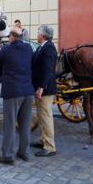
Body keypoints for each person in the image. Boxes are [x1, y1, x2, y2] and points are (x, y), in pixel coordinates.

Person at [0, 26, 34, 165]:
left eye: (9, 36)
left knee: (9, 125)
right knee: (25, 124)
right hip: (28, 92)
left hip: (13, 92)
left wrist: (0, 48)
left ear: (12, 37)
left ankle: (8, 155)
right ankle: (24, 152)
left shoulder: (7, 49)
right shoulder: (28, 48)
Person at [31, 25, 57, 157]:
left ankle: (50, 146)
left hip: (45, 89)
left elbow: (47, 71)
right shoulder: (43, 46)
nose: (37, 35)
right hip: (40, 88)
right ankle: (43, 140)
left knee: (46, 117)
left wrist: (41, 88)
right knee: (41, 116)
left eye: (38, 33)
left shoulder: (49, 48)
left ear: (42, 35)